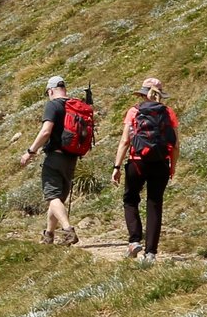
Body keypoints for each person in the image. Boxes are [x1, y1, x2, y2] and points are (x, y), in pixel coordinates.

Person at [17, 75, 95, 247]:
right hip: (71, 157)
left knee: (52, 196)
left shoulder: (53, 105)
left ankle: (68, 230)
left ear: (51, 90)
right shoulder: (74, 105)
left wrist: (30, 152)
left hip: (55, 157)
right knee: (57, 199)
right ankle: (49, 235)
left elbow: (46, 131)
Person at [110, 77, 180, 260]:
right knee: (155, 203)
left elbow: (125, 141)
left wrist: (117, 166)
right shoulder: (168, 112)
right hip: (161, 162)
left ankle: (134, 241)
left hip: (137, 162)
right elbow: (175, 145)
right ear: (160, 94)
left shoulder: (134, 111)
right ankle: (151, 253)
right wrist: (172, 166)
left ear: (142, 94)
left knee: (130, 199)